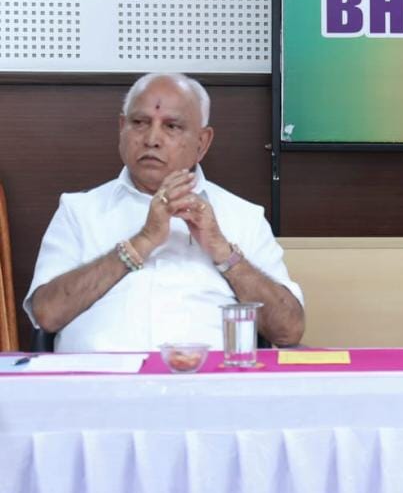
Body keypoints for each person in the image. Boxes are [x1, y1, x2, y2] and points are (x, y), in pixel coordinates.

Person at [24, 73, 304, 352]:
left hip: (211, 377)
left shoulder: (244, 217)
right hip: (99, 376)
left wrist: (223, 251)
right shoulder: (78, 211)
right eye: (139, 123)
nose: (152, 139)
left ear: (202, 142)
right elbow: (47, 314)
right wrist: (142, 241)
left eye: (172, 126)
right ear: (122, 128)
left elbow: (288, 330)